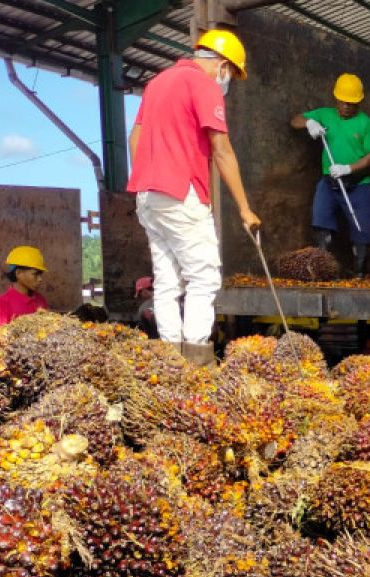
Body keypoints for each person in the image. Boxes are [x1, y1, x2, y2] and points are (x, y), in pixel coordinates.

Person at [127, 28, 260, 366]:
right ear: (223, 66)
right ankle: (198, 359)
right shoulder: (204, 84)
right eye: (232, 74)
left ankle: (169, 359)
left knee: (168, 278)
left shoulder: (158, 82)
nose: (229, 81)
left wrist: (146, 177)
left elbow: (135, 138)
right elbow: (222, 150)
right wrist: (245, 209)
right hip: (179, 192)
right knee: (204, 276)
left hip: (148, 195)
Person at [291, 73, 370, 278]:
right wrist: (309, 124)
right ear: (336, 98)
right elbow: (295, 120)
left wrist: (348, 168)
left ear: (359, 102)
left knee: (362, 228)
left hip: (359, 183)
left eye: (352, 103)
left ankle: (359, 272)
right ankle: (323, 269)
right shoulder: (325, 114)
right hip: (329, 181)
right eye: (343, 102)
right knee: (321, 219)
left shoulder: (367, 124)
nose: (347, 107)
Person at [0, 246, 50, 329]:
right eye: (35, 274)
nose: (40, 279)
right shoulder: (0, 304)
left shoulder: (40, 300)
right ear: (18, 273)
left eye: (41, 274)